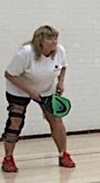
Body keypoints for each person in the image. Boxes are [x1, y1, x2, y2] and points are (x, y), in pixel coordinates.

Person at [3, 25, 73, 173]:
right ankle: (8, 158)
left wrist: (60, 82)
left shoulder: (59, 51)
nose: (54, 41)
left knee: (56, 120)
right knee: (15, 122)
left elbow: (63, 67)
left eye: (55, 38)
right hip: (19, 90)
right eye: (49, 38)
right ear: (39, 40)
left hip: (46, 90)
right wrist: (29, 90)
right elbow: (9, 74)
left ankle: (63, 154)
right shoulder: (25, 53)